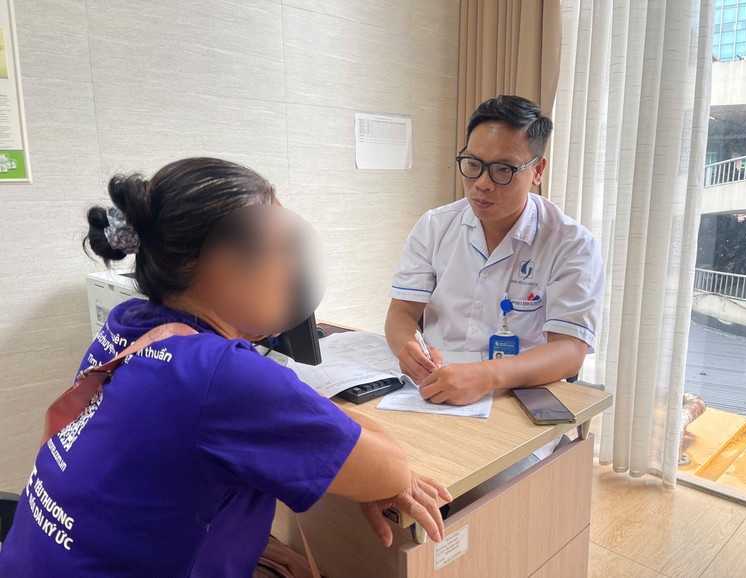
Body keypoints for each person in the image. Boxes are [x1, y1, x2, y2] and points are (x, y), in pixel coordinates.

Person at [0, 157, 449, 577]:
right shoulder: (221, 377)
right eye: (282, 249)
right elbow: (391, 469)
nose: (293, 269)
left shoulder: (129, 326)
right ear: (218, 266)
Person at [385, 95, 604, 464]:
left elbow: (570, 350)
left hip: (517, 395)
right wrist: (407, 347)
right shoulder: (436, 226)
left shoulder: (571, 243)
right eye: (472, 164)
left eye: (503, 170)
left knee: (483, 488)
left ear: (537, 171)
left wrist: (485, 376)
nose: (482, 184)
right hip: (432, 388)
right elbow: (401, 314)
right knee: (378, 464)